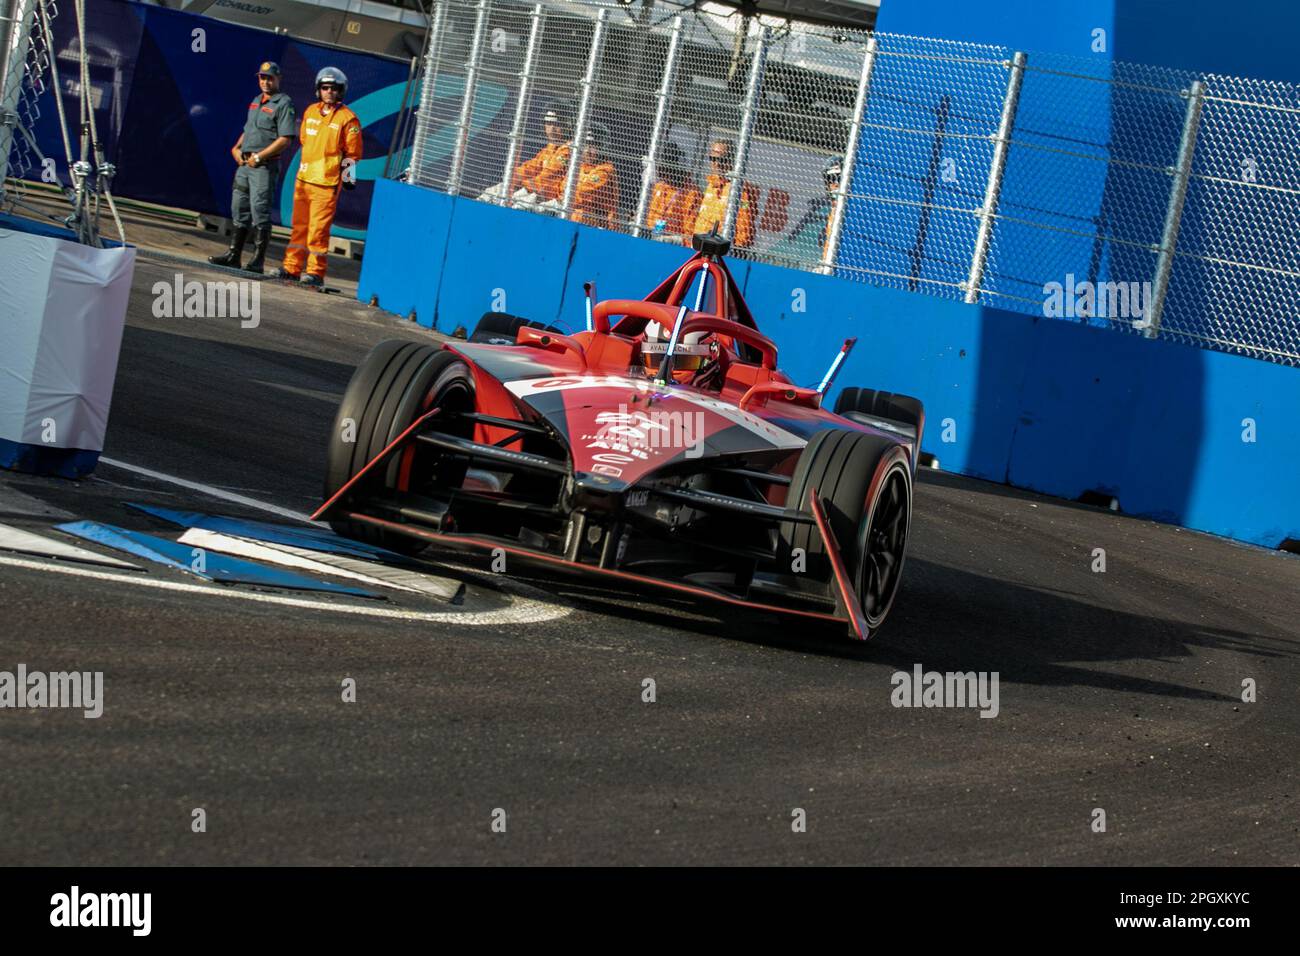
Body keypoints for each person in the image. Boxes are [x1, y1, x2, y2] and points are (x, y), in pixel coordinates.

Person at [275, 67, 363, 287]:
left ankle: (315, 272)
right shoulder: (310, 112)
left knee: (318, 231)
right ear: (318, 90)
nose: (329, 92)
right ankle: (291, 268)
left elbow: (353, 153)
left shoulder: (348, 119)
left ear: (341, 91)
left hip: (327, 183)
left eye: (334, 88)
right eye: (325, 88)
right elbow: (304, 139)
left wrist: (348, 176)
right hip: (304, 179)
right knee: (299, 227)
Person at [209, 61, 296, 274]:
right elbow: (249, 129)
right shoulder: (256, 100)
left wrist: (259, 157)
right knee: (239, 208)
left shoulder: (283, 103)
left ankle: (258, 260)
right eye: (262, 77)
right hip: (245, 164)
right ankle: (233, 255)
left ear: (278, 79)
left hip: (264, 166)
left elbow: (285, 139)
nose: (265, 81)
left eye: (270, 78)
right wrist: (237, 148)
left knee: (260, 211)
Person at [692, 139, 759, 250]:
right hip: (699, 245)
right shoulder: (711, 185)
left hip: (720, 250)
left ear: (731, 160)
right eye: (713, 158)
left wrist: (733, 249)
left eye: (721, 159)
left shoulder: (739, 190)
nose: (716, 163)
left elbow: (745, 228)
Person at [511, 102, 573, 202]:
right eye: (548, 123)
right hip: (537, 190)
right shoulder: (551, 147)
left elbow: (548, 175)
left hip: (549, 198)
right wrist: (513, 176)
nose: (552, 129)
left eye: (557, 124)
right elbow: (533, 166)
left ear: (568, 125)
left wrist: (524, 186)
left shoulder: (569, 150)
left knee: (518, 201)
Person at [643, 142, 701, 243]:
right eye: (660, 169)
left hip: (673, 243)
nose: (661, 174)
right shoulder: (660, 186)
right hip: (652, 236)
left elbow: (690, 230)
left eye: (664, 169)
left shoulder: (691, 193)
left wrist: (675, 239)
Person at [569, 123, 619, 228]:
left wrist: (565, 198)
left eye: (592, 146)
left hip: (598, 226)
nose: (587, 151)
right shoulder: (580, 166)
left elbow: (582, 193)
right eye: (585, 145)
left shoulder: (605, 170)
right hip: (575, 219)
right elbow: (564, 186)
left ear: (602, 147)